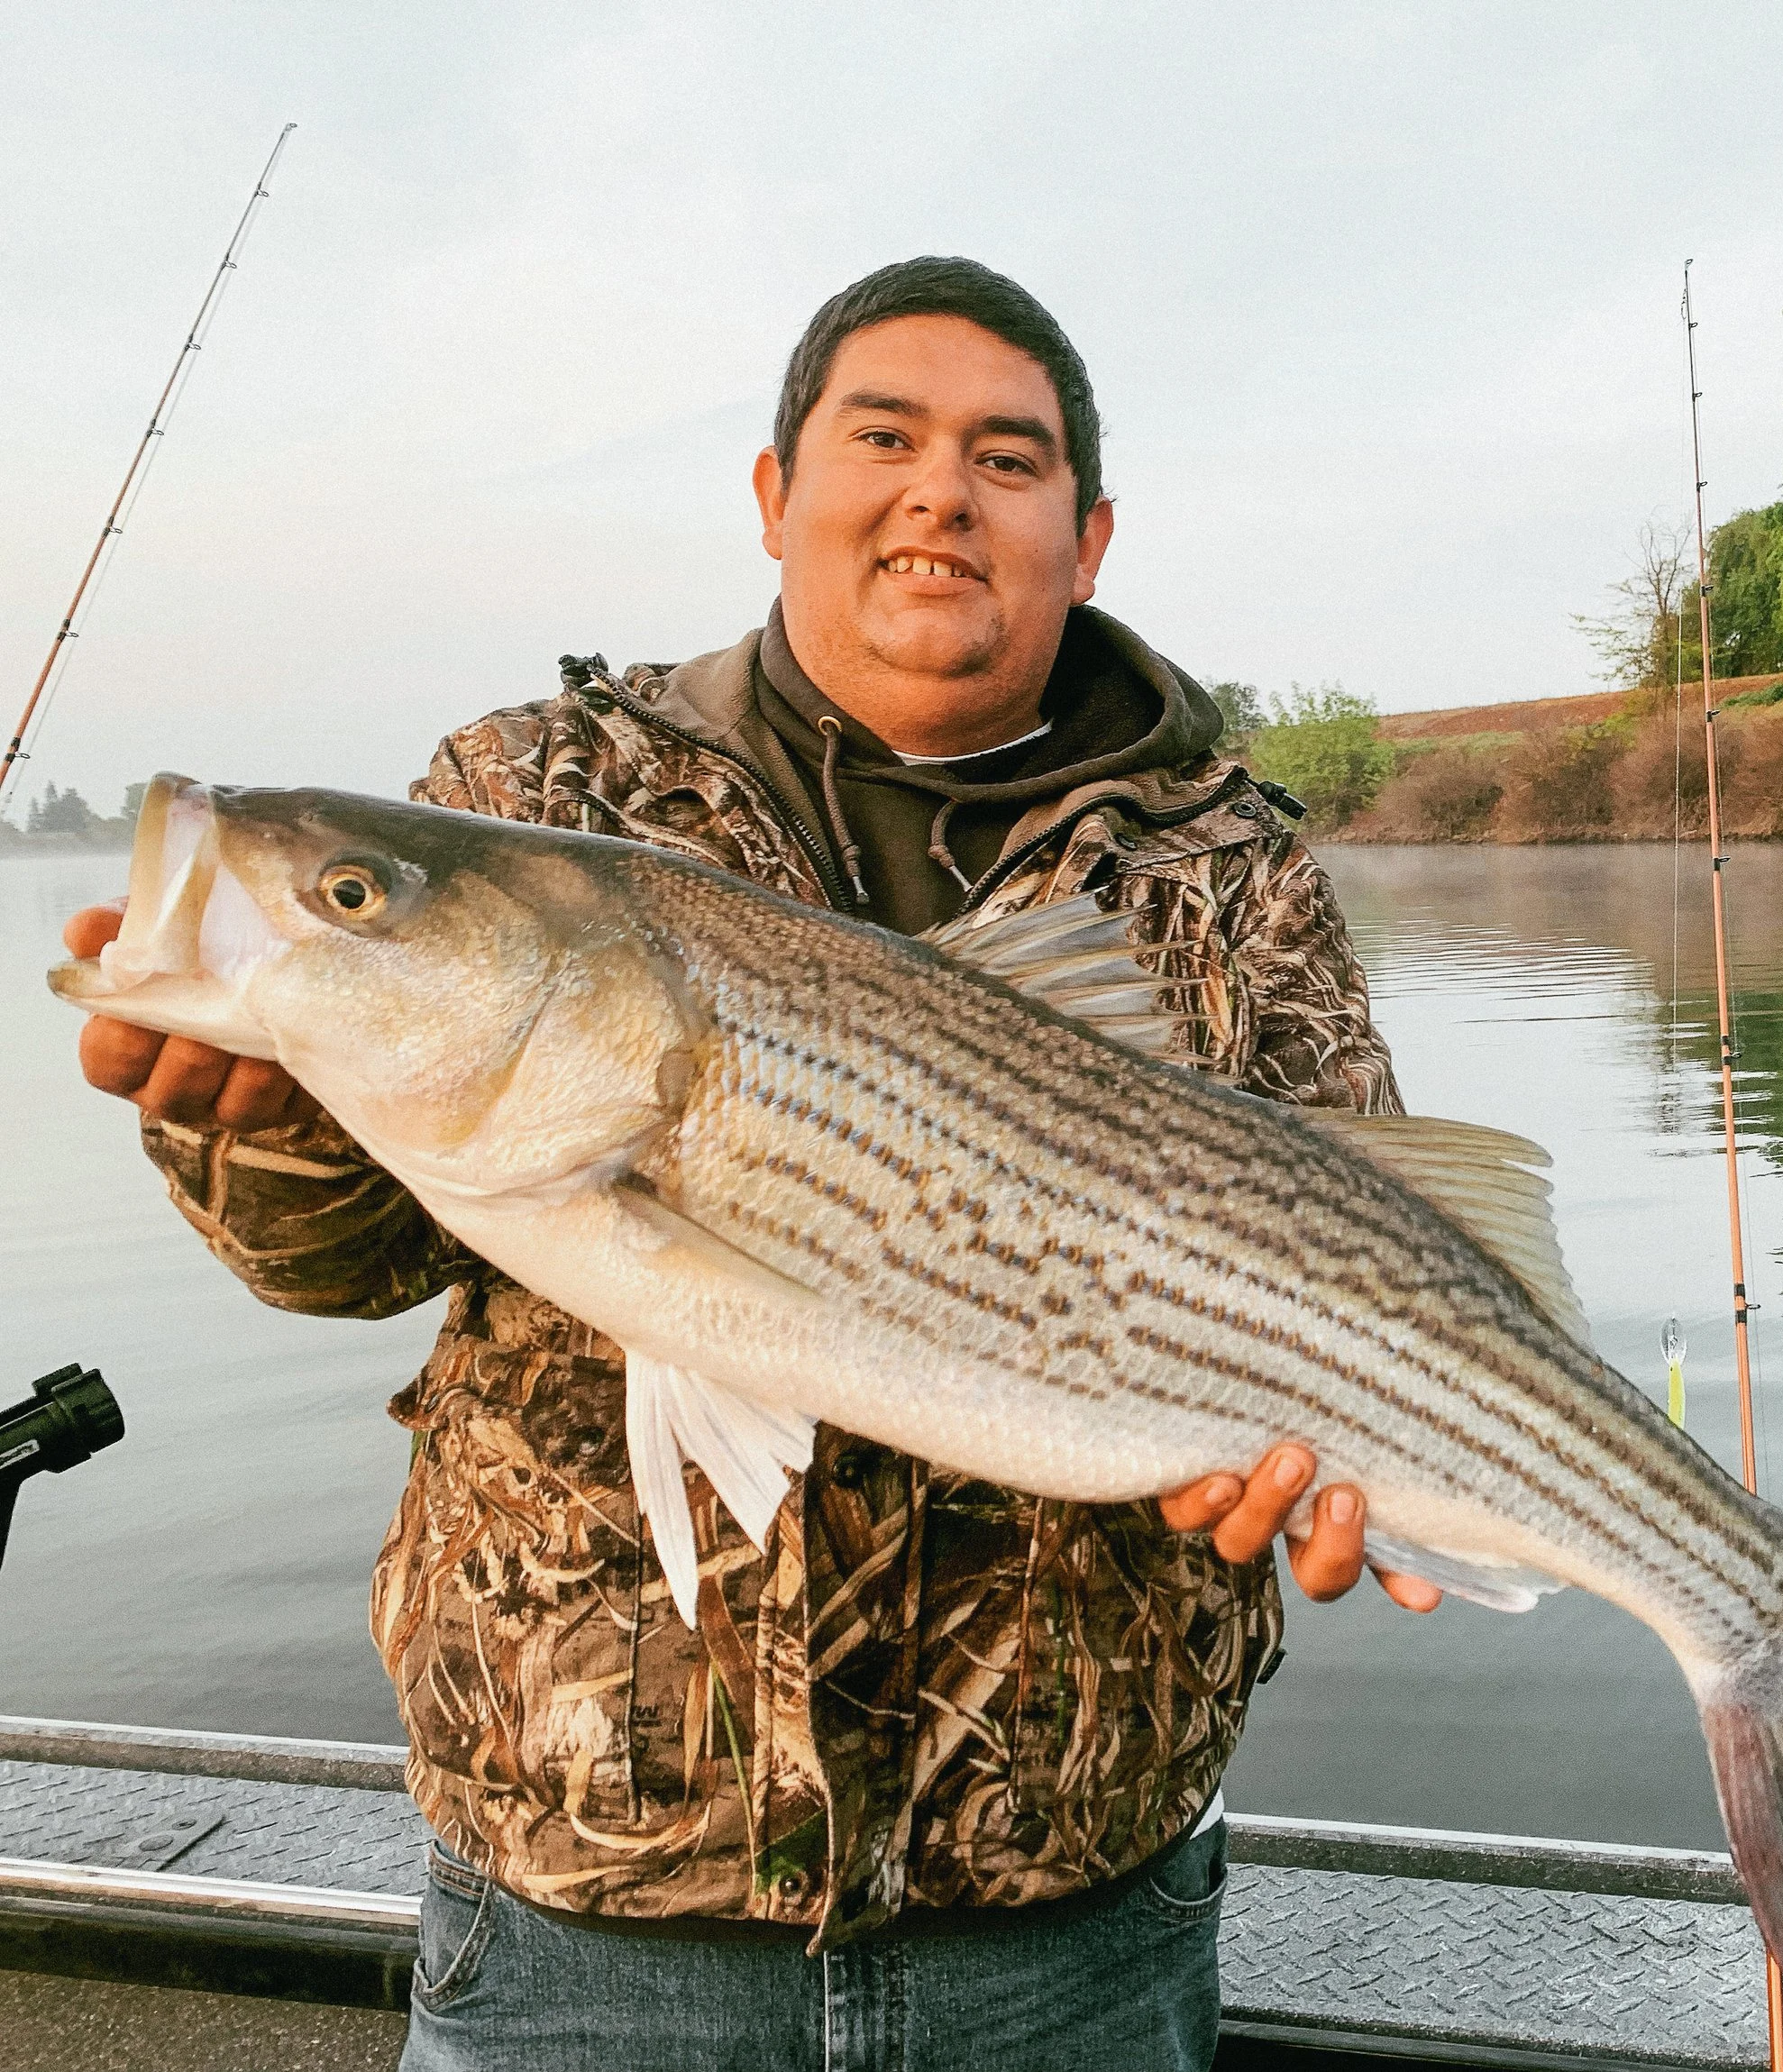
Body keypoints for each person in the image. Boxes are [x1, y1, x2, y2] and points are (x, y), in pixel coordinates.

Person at [66, 256, 1438, 2071]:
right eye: (883, 436)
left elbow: (1381, 1246)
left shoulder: (1230, 866)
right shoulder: (539, 793)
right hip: (589, 1906)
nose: (939, 490)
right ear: (778, 493)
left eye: (1004, 459)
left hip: (1070, 1926)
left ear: (1084, 534)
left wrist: (1355, 1462)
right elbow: (334, 1264)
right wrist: (247, 1115)